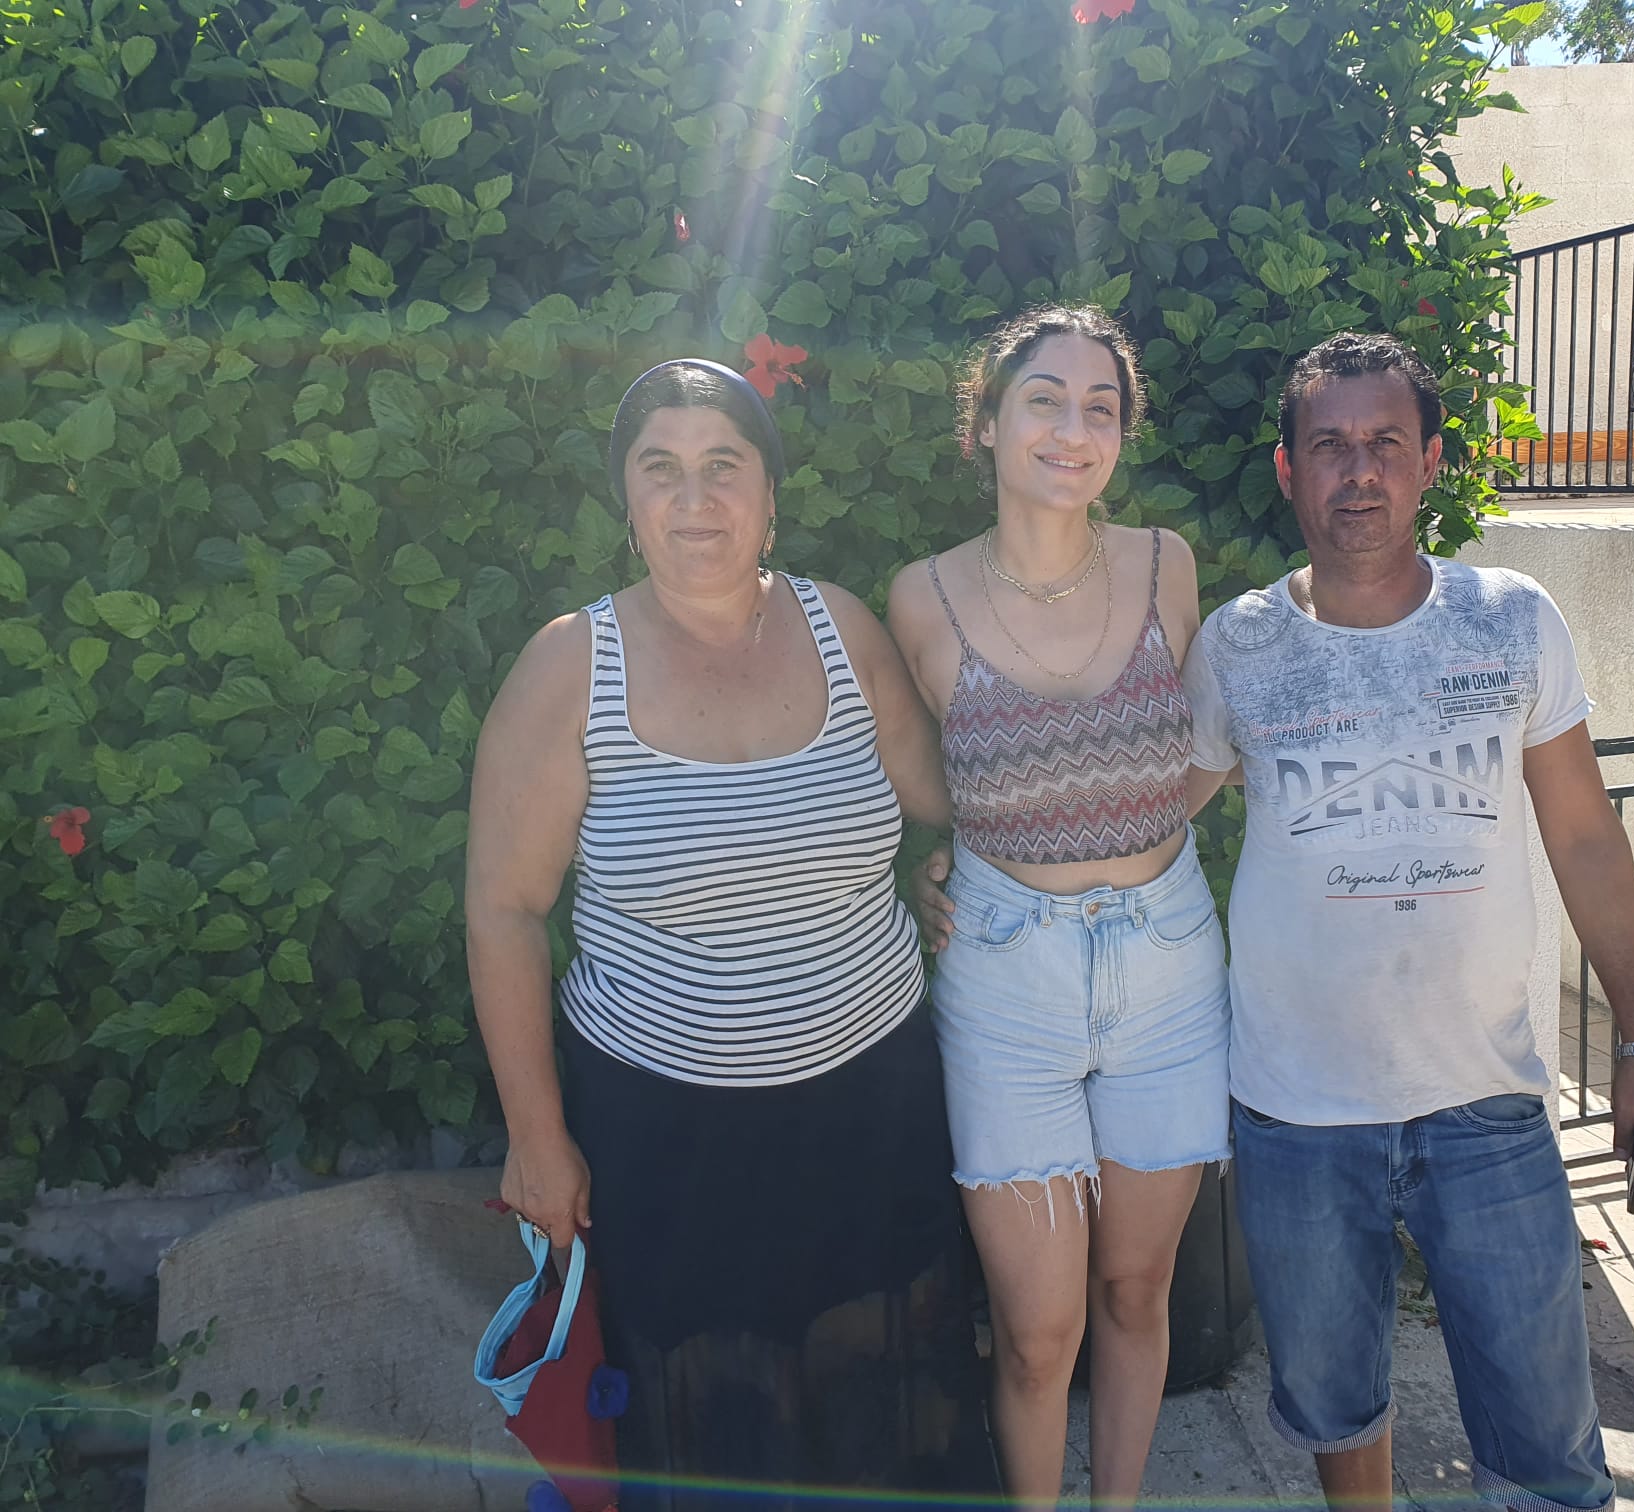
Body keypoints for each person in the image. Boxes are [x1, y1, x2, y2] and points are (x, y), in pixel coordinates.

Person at [464, 359, 989, 1511]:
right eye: (661, 468)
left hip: (876, 1114)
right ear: (627, 498)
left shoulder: (842, 628)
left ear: (769, 494)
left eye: (722, 466)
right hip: (667, 1140)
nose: (694, 497)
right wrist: (535, 1138)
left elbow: (950, 801)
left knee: (888, 1395)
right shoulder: (569, 669)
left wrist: (955, 865)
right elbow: (504, 909)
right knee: (709, 1418)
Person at [1180, 332, 1634, 1512]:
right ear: (1288, 469)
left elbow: (1585, 837)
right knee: (1334, 1406)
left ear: (1430, 462)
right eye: (1330, 446)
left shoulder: (1510, 619)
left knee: (1548, 1442)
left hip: (1488, 1104)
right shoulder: (1236, 645)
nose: (1358, 470)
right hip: (1298, 1109)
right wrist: (989, 869)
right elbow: (1158, 813)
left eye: (1385, 443)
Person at [885, 306, 1231, 1508]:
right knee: (1036, 1334)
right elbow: (922, 782)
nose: (1071, 430)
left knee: (1137, 1292)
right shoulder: (920, 599)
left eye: (1100, 407)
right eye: (1043, 400)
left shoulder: (1166, 566)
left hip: (1168, 966)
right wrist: (933, 863)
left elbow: (1202, 749)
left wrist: (1132, 824)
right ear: (985, 422)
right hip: (1006, 979)